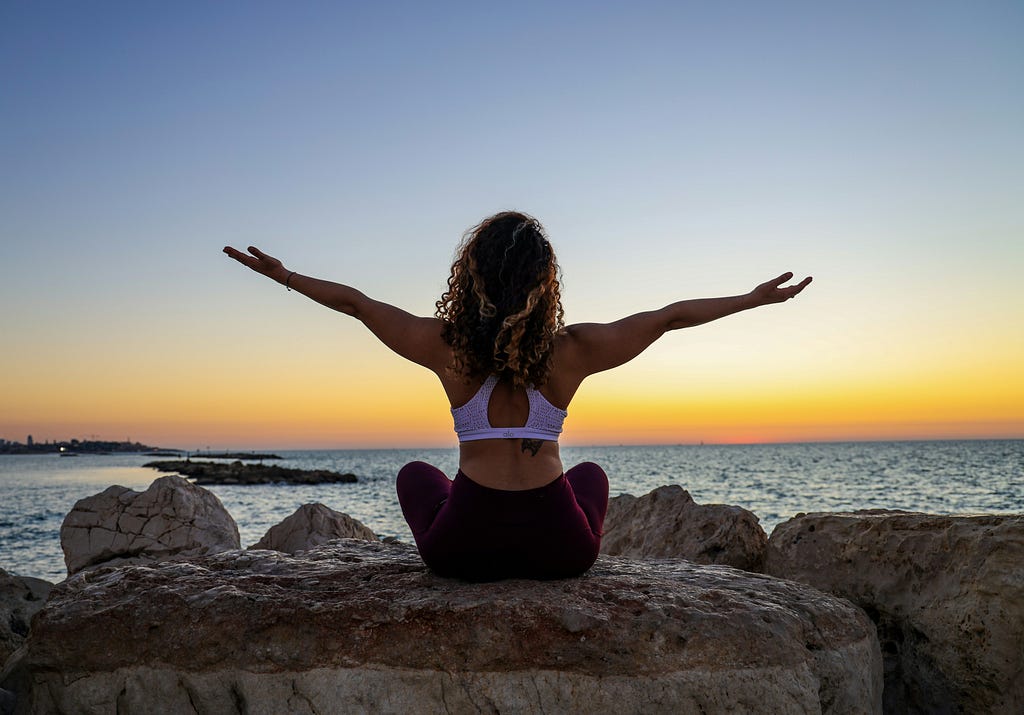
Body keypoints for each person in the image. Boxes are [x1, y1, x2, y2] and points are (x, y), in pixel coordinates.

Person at [224, 211, 811, 580]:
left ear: (470, 277)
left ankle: (468, 501)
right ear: (545, 283)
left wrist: (285, 276)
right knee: (592, 477)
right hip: (560, 551)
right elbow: (670, 317)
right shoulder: (573, 351)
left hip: (461, 551)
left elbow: (357, 303)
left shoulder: (446, 347)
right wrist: (750, 299)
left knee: (414, 475)